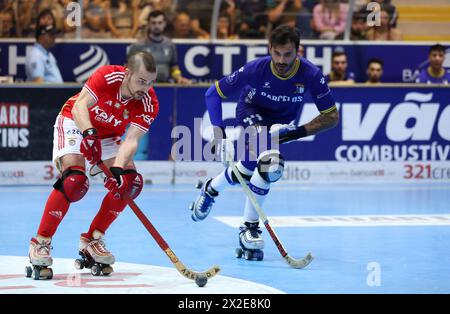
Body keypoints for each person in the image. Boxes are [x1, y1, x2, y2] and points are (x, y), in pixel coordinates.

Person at [189, 25, 339, 260]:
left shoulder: (310, 74)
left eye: (287, 54)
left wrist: (294, 133)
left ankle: (210, 188)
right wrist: (219, 134)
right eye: (276, 53)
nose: (281, 60)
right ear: (270, 48)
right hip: (251, 111)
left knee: (249, 169)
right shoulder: (256, 68)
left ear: (298, 52)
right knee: (271, 164)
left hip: (281, 126)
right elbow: (212, 93)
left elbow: (331, 116)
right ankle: (248, 227)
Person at [27, 51, 159, 278]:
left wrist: (117, 169)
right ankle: (41, 242)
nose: (145, 88)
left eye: (150, 82)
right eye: (141, 81)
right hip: (76, 122)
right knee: (74, 181)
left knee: (130, 183)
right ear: (127, 72)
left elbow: (131, 140)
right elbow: (80, 107)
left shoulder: (148, 101)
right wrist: (88, 134)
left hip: (107, 136)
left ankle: (92, 239)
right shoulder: (107, 76)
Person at [128, 10, 191, 84]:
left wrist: (179, 77)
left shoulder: (170, 45)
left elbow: (174, 67)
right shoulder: (138, 46)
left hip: (165, 85)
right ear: (148, 24)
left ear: (165, 24)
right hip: (143, 88)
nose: (157, 26)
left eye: (160, 23)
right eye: (153, 23)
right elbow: (129, 69)